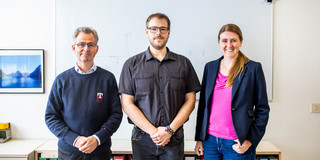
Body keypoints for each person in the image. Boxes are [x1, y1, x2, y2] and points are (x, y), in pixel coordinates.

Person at [119, 13, 201, 160]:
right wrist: (153, 132)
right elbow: (127, 104)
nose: (158, 33)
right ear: (147, 32)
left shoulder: (184, 64)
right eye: (154, 29)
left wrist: (169, 130)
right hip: (142, 138)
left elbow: (190, 101)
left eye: (163, 29)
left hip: (174, 138)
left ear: (169, 32)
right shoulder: (131, 65)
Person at [45, 27, 123, 160]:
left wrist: (97, 138)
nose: (86, 49)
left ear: (96, 49)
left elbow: (116, 114)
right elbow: (51, 117)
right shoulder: (62, 80)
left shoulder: (107, 79)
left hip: (100, 151)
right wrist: (74, 139)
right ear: (73, 48)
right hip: (69, 152)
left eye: (90, 45)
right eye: (81, 44)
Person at [194, 24, 270, 160]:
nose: (229, 45)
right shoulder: (210, 67)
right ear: (219, 43)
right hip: (210, 142)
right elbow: (203, 106)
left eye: (233, 40)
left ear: (241, 42)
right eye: (224, 41)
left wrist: (250, 140)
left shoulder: (253, 68)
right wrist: (199, 138)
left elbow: (262, 109)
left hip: (237, 143)